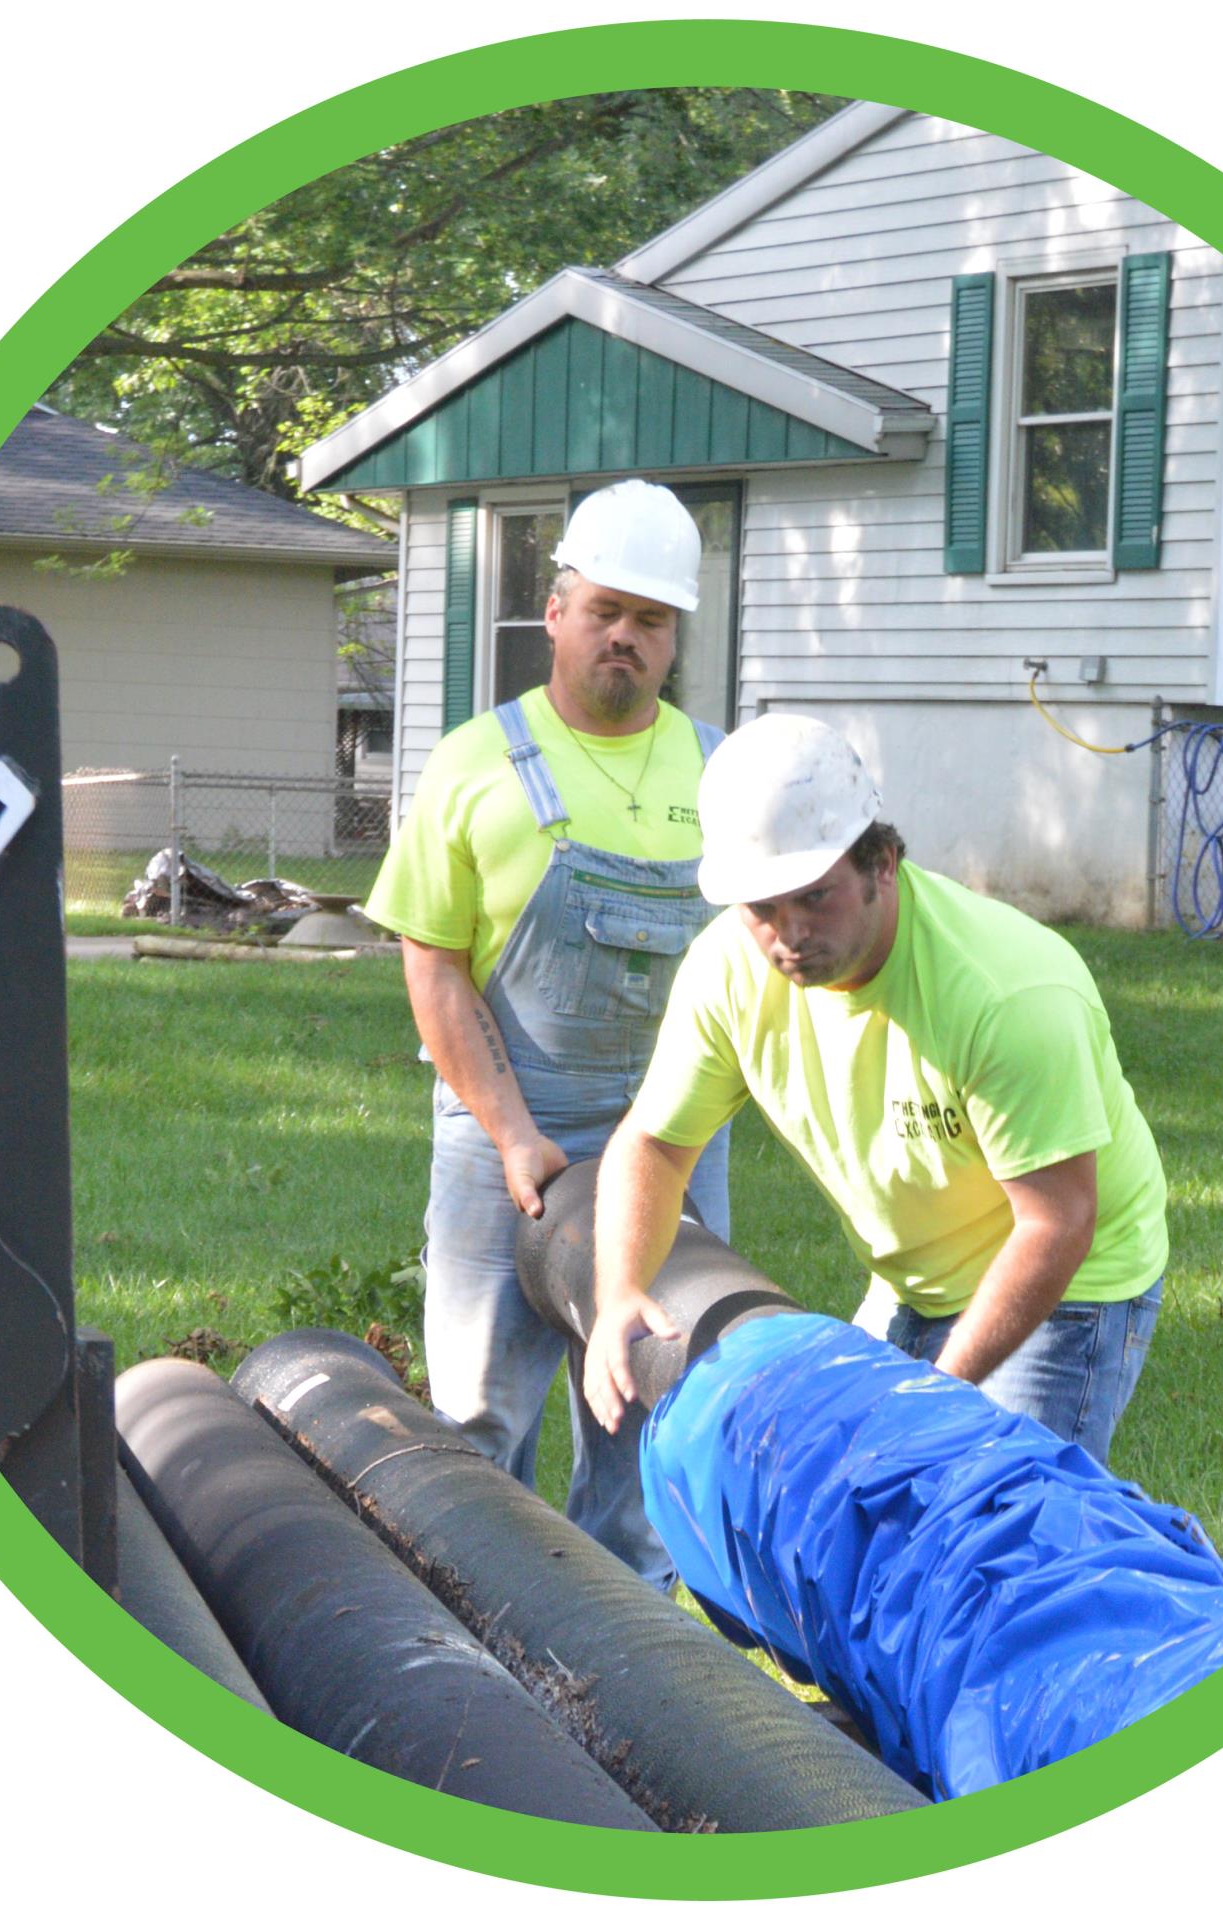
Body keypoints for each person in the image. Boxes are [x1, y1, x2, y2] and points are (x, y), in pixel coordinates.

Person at [582, 712, 1169, 1470]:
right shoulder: (728, 969)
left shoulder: (1006, 992)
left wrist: (939, 1394)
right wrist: (618, 1292)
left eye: (815, 897)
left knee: (990, 1517)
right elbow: (654, 1145)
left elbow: (1057, 1222)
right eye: (761, 908)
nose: (788, 933)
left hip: (1070, 1279)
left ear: (882, 863)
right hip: (913, 1276)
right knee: (844, 1485)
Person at [365, 479, 728, 1582]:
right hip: (505, 1129)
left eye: (652, 620)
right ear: (556, 609)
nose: (626, 636)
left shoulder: (718, 768)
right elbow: (429, 959)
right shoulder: (475, 761)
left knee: (656, 1413)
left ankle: (631, 1662)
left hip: (672, 1135)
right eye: (607, 609)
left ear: (674, 641)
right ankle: (484, 1635)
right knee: (480, 1415)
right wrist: (515, 1133)